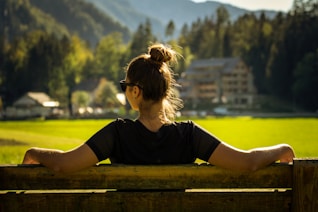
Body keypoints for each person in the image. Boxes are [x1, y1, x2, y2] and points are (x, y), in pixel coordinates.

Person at [22, 43, 295, 173]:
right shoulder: (189, 136)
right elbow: (247, 162)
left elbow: (63, 164)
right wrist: (282, 148)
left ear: (136, 91)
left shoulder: (117, 134)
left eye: (124, 86)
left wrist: (34, 151)